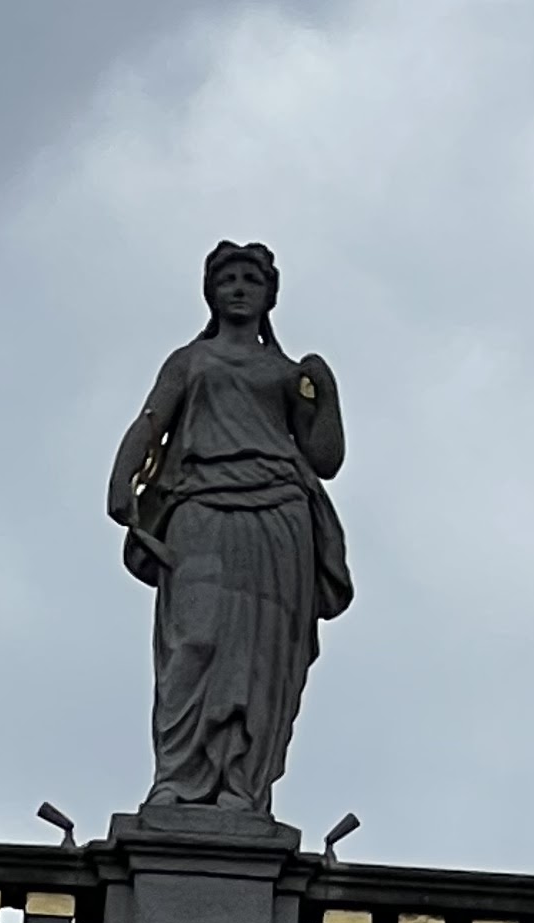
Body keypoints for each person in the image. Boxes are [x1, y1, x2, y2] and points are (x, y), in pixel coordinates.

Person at [106, 241, 351, 816]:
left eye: (251, 280)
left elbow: (326, 460)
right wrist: (121, 481)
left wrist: (327, 392)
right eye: (229, 279)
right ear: (210, 293)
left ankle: (244, 783)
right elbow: (152, 420)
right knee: (194, 639)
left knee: (261, 654)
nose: (240, 289)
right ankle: (178, 776)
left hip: (278, 516)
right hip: (201, 507)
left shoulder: (289, 374)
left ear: (270, 295)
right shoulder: (190, 361)